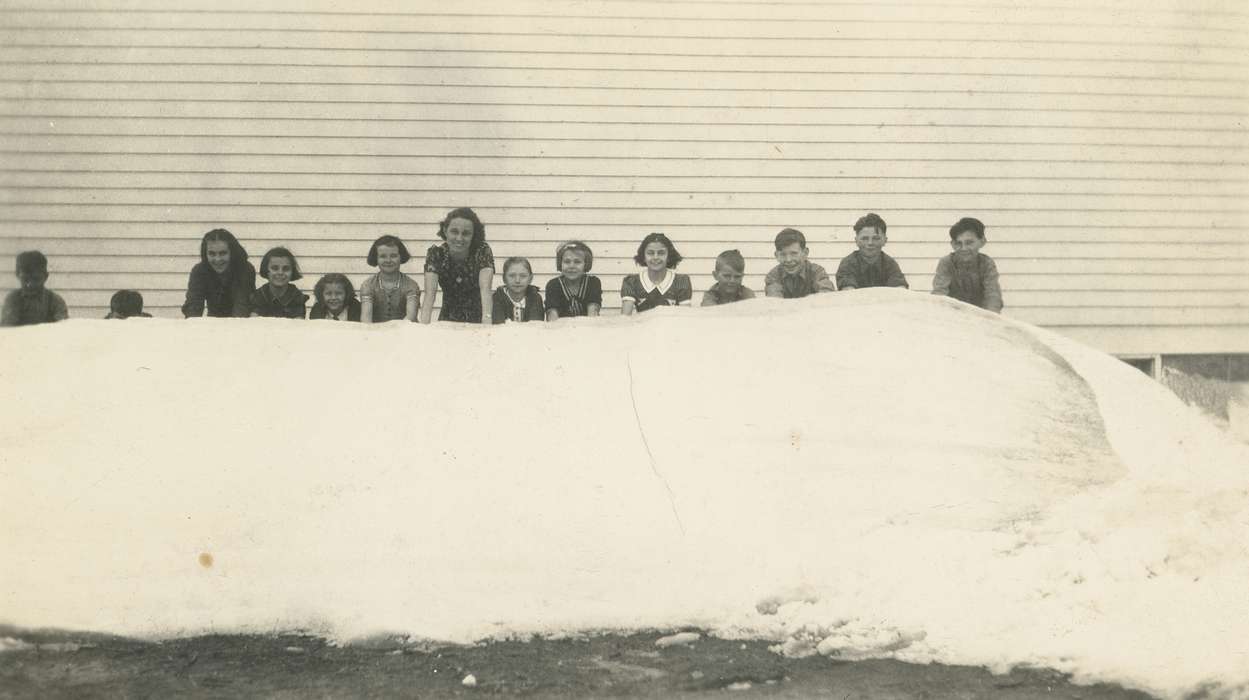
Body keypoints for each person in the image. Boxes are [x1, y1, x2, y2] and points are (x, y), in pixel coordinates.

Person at [421, 207, 495, 324]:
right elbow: (430, 294)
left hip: (478, 320)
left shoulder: (482, 251)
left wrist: (487, 323)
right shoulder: (436, 254)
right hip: (448, 319)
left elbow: (485, 288)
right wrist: (423, 327)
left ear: (473, 234)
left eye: (466, 233)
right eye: (454, 232)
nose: (459, 238)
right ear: (445, 230)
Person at [931, 217, 1004, 313]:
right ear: (952, 244)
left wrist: (990, 317)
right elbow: (939, 295)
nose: (963, 248)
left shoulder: (986, 264)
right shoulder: (947, 263)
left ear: (982, 242)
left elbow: (993, 296)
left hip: (981, 317)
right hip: (953, 316)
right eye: (958, 243)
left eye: (969, 243)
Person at [181, 228, 256, 318]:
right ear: (205, 254)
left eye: (223, 253)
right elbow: (193, 306)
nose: (217, 259)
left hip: (240, 324)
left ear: (232, 252)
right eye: (212, 254)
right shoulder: (199, 271)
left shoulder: (245, 269)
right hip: (214, 324)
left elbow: (242, 306)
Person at [620, 232, 693, 314]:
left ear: (669, 256)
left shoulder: (681, 281)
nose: (655, 257)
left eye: (661, 253)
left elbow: (685, 318)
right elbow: (625, 318)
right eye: (650, 253)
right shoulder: (631, 282)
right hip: (642, 326)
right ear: (643, 257)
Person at [836, 213, 908, 290]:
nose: (870, 243)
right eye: (865, 238)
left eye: (876, 238)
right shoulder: (848, 264)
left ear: (885, 240)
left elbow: (900, 290)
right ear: (856, 241)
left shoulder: (889, 264)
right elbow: (849, 292)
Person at [359, 235, 420, 323]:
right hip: (375, 333)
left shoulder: (410, 285)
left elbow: (411, 317)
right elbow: (366, 318)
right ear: (376, 258)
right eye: (383, 256)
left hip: (404, 331)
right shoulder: (368, 285)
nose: (388, 260)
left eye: (393, 256)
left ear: (401, 257)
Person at [1, 250, 69, 326]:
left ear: (46, 276)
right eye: (25, 279)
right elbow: (7, 329)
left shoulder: (54, 301)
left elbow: (63, 329)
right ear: (17, 275)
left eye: (36, 279)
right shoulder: (13, 299)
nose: (30, 284)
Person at [764, 228, 836, 298]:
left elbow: (826, 297)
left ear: (805, 253)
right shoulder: (773, 275)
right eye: (783, 254)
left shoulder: (817, 272)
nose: (788, 260)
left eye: (794, 253)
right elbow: (775, 300)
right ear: (777, 255)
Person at [544, 241, 602, 320]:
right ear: (560, 263)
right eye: (567, 262)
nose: (571, 266)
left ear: (586, 264)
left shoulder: (592, 283)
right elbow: (552, 316)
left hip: (588, 328)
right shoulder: (554, 285)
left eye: (577, 262)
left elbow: (593, 313)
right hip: (560, 330)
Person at [249, 246, 308, 318]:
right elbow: (254, 322)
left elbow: (298, 324)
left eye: (286, 269)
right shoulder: (259, 296)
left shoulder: (297, 298)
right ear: (266, 270)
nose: (280, 272)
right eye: (275, 268)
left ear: (292, 272)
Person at [492, 257, 545, 324]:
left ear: (530, 279)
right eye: (512, 276)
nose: (517, 280)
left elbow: (535, 326)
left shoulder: (535, 297)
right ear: (504, 279)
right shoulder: (497, 298)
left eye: (523, 276)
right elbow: (499, 326)